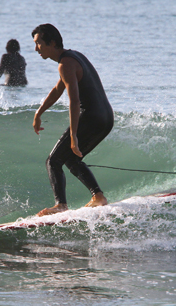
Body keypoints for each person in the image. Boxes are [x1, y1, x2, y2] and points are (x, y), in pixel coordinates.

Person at [31, 23, 114, 214]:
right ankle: (98, 196)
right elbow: (57, 90)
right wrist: (39, 112)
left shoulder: (65, 64)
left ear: (52, 42)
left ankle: (60, 206)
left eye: (39, 44)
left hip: (91, 117)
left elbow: (74, 101)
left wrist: (74, 136)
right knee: (72, 159)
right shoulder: (72, 57)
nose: (36, 49)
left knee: (53, 162)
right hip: (106, 117)